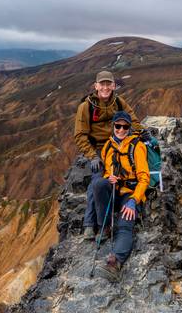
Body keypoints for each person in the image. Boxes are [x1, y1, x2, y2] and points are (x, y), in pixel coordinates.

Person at [75, 71, 140, 240]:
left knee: (106, 180)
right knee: (97, 181)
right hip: (97, 149)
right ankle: (92, 224)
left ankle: (92, 224)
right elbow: (80, 135)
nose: (105, 87)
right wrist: (92, 156)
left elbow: (133, 120)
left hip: (117, 145)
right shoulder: (86, 107)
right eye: (101, 84)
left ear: (113, 86)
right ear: (96, 86)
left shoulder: (119, 102)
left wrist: (141, 134)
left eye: (108, 84)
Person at [93, 111, 149, 282]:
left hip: (130, 194)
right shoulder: (108, 147)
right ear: (114, 126)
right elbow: (105, 172)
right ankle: (105, 226)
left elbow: (144, 178)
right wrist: (108, 178)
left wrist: (133, 201)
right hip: (114, 189)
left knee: (125, 226)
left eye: (125, 127)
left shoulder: (137, 146)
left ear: (129, 128)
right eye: (118, 126)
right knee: (98, 184)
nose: (121, 130)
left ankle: (115, 262)